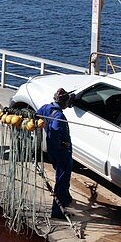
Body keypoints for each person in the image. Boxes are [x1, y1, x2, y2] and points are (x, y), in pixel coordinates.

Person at [37, 88, 73, 219]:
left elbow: (37, 115)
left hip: (52, 150)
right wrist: (61, 146)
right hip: (61, 151)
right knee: (62, 179)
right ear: (63, 102)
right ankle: (57, 212)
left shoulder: (46, 108)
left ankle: (66, 198)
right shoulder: (59, 116)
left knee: (62, 175)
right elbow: (56, 129)